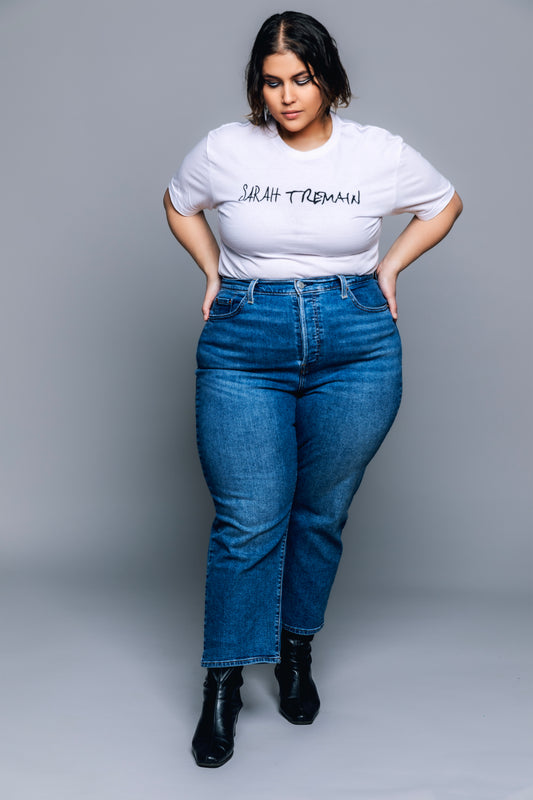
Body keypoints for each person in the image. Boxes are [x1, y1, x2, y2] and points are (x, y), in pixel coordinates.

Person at [163, 10, 462, 768]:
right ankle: (224, 682)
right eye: (272, 82)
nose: (287, 97)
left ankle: (295, 652)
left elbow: (442, 204)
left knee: (321, 513)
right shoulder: (225, 148)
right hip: (244, 342)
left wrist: (388, 269)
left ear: (327, 78)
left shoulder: (376, 152)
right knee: (248, 519)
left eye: (301, 79)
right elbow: (177, 202)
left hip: (355, 342)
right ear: (255, 87)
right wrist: (210, 272)